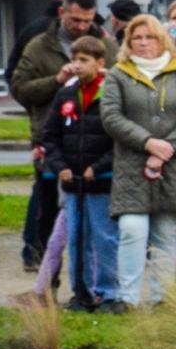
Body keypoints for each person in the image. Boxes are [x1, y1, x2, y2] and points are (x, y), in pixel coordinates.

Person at [100, 14, 176, 307]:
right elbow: (110, 116)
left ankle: (163, 298)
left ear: (162, 40)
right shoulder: (119, 74)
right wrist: (148, 143)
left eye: (150, 37)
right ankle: (128, 298)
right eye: (137, 38)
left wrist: (168, 148)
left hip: (174, 167)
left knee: (166, 233)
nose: (144, 43)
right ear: (128, 42)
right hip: (132, 167)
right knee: (132, 230)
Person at [11, 0, 119, 272]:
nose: (82, 26)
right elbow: (20, 88)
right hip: (53, 136)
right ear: (62, 12)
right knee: (47, 203)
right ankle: (40, 258)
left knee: (93, 208)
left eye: (87, 20)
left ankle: (89, 269)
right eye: (75, 20)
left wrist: (111, 81)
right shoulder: (39, 45)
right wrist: (56, 81)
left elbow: (124, 85)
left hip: (97, 141)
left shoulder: (107, 46)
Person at [40, 35, 119, 311]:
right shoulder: (66, 94)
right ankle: (81, 292)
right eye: (74, 59)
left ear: (100, 63)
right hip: (72, 183)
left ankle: (107, 292)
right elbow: (50, 136)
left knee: (105, 238)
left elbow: (119, 141)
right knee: (76, 238)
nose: (77, 65)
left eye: (84, 60)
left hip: (101, 182)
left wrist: (96, 168)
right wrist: (60, 167)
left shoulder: (111, 92)